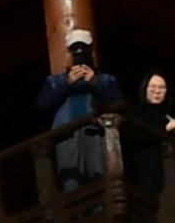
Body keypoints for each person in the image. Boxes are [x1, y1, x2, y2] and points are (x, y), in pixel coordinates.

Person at [38, 33, 125, 186]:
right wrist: (67, 83)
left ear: (91, 53)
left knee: (99, 183)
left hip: (96, 133)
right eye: (75, 51)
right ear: (68, 55)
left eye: (83, 51)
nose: (79, 55)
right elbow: (43, 104)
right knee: (70, 183)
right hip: (67, 136)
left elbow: (119, 103)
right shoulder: (55, 81)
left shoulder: (105, 80)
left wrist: (95, 83)